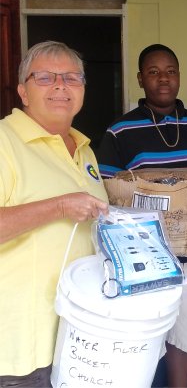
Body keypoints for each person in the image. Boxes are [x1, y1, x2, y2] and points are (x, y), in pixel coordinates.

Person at [96, 44, 187, 388]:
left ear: (179, 76)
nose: (163, 79)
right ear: (140, 79)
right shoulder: (119, 132)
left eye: (170, 71)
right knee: (144, 337)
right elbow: (106, 194)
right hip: (144, 257)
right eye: (154, 71)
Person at [0, 41, 109, 387]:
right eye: (45, 77)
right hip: (22, 348)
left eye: (72, 78)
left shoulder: (85, 150)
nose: (61, 86)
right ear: (23, 92)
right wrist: (59, 206)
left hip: (78, 336)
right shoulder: (5, 142)